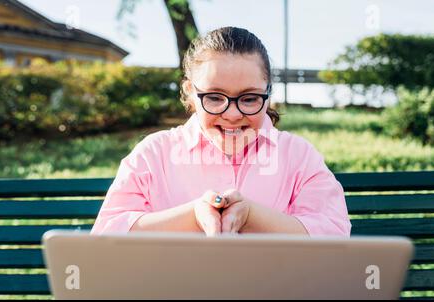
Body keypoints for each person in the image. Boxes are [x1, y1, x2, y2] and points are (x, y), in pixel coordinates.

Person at [91, 27, 351, 237]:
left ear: (268, 95)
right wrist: (193, 216)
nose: (232, 114)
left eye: (249, 98)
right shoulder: (153, 153)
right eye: (215, 97)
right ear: (190, 93)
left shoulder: (299, 156)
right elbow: (106, 235)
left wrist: (252, 217)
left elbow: (334, 235)